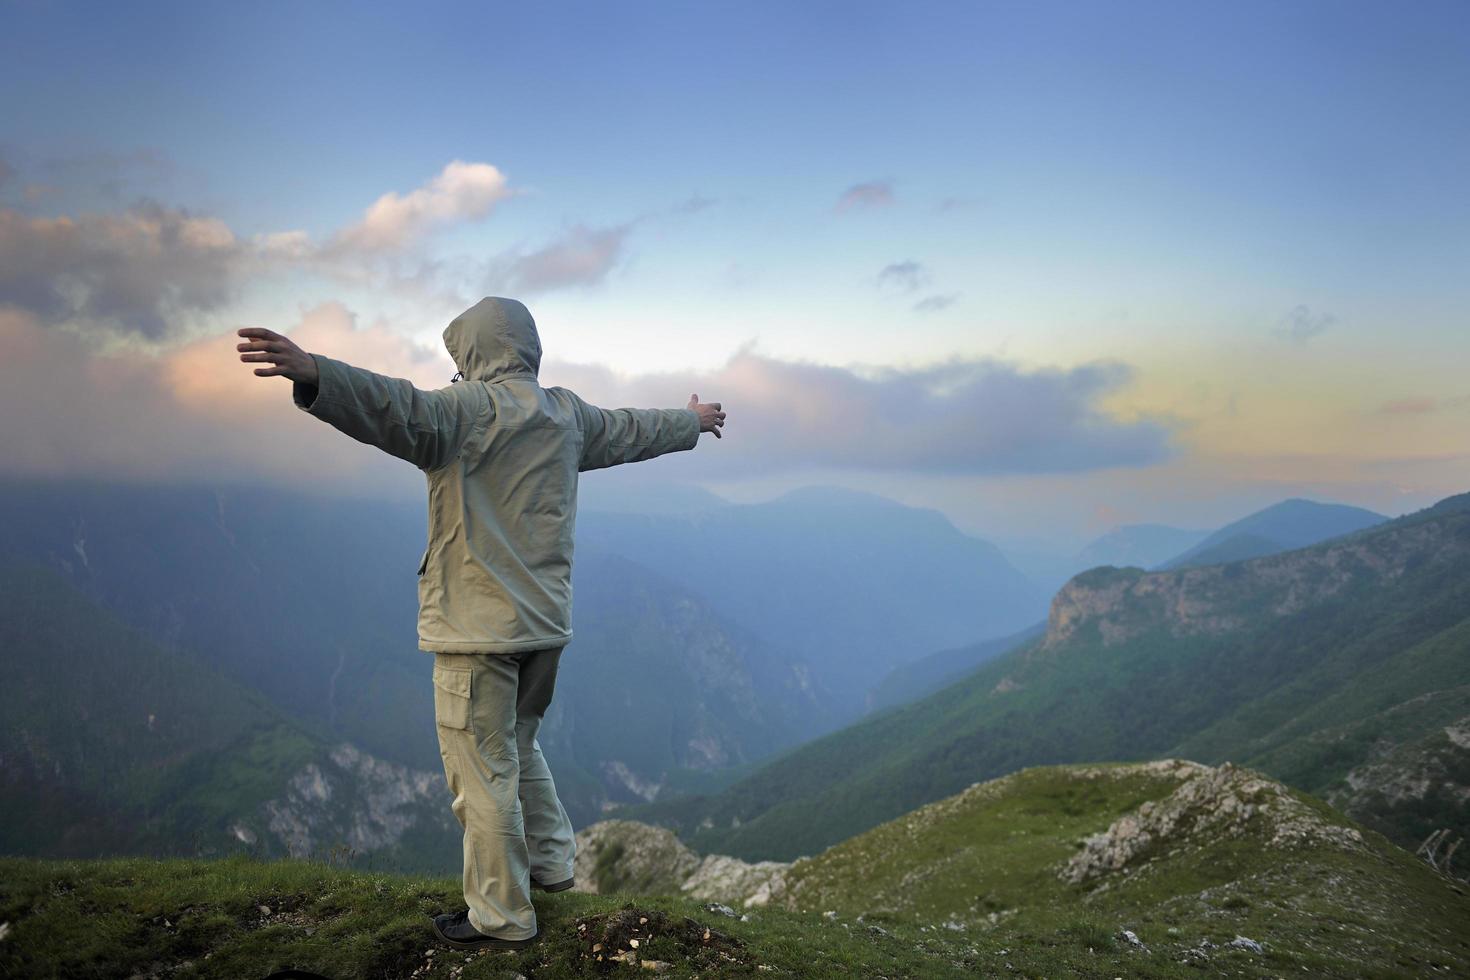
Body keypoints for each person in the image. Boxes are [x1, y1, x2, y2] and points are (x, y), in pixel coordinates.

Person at [237, 296, 725, 950]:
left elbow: (392, 407)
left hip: (478, 632)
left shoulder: (461, 413)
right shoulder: (567, 415)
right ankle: (551, 865)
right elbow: (633, 427)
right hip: (545, 628)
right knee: (518, 745)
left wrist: (315, 373)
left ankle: (501, 917)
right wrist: (691, 421)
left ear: (475, 353)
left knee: (481, 775)